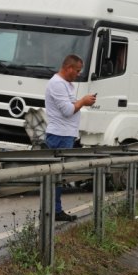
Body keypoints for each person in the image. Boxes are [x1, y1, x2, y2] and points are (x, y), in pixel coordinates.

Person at [45, 54, 97, 221]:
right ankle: (52, 210)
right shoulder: (57, 84)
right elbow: (67, 111)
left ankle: (55, 209)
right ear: (68, 68)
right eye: (77, 70)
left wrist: (82, 101)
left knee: (59, 176)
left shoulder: (66, 84)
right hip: (59, 134)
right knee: (56, 175)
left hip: (65, 134)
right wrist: (83, 101)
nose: (78, 74)